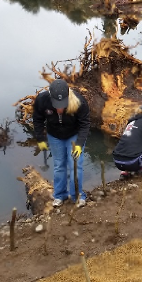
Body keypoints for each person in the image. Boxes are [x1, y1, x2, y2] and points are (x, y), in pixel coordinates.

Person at [33, 79, 91, 208]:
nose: (60, 108)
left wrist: (79, 144)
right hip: (54, 136)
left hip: (74, 136)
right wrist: (40, 139)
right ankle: (60, 195)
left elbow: (85, 124)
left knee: (75, 166)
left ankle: (77, 195)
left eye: (62, 104)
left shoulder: (79, 101)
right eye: (57, 104)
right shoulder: (42, 100)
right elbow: (37, 120)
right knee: (59, 165)